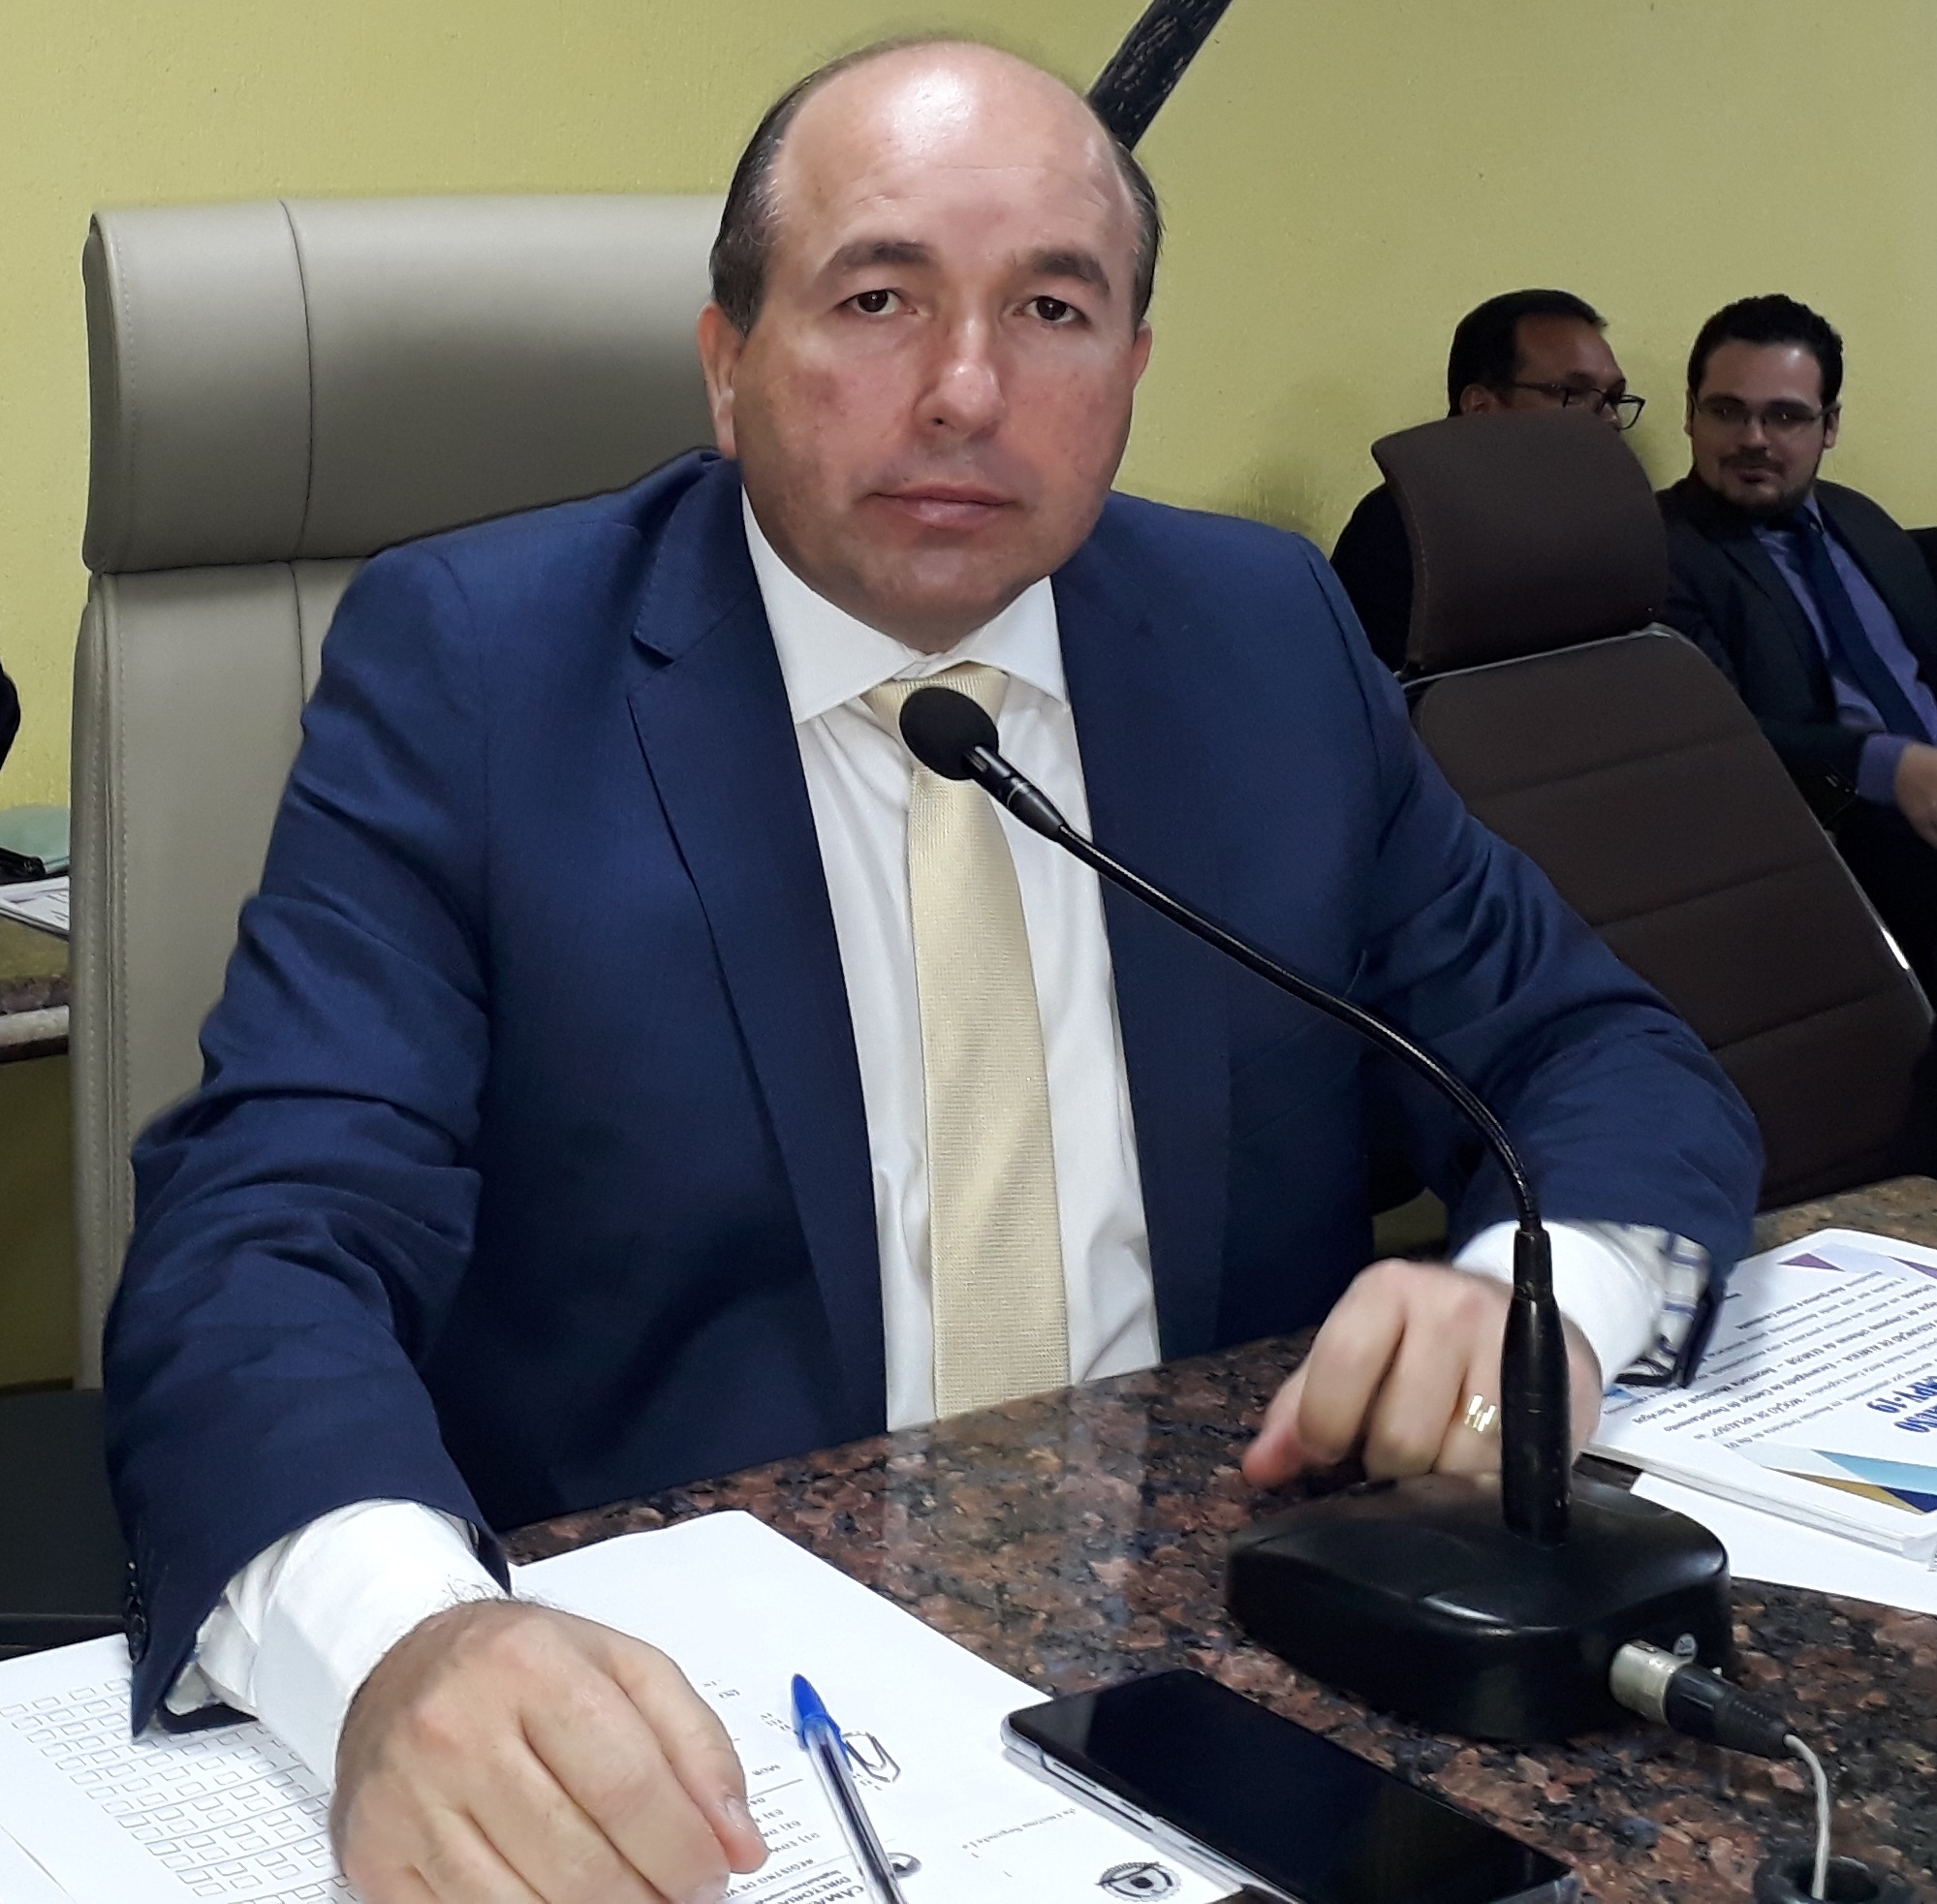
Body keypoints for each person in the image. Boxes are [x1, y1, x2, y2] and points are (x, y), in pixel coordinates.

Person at [105, 39, 1759, 1904]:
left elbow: (1593, 1054)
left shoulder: (1259, 635)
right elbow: (264, 1232)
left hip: (1228, 1682)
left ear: (1128, 373)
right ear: (726, 362)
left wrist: (1535, 1307)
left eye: (1050, 310)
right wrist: (400, 1642)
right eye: (876, 298)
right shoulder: (479, 670)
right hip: (689, 1728)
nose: (966, 391)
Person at [1660, 295, 1937, 994]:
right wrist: (1889, 766)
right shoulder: (1660, 551)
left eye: (1784, 416)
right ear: (1689, 414)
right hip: (1839, 836)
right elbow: (1710, 734)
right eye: (1727, 411)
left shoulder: (1860, 520)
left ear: (1829, 425)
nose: (1753, 438)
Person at [1329, 289, 1642, 670]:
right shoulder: (1402, 529)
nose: (1610, 419)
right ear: (1480, 408)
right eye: (1573, 394)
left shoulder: (1608, 526)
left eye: (1614, 398)